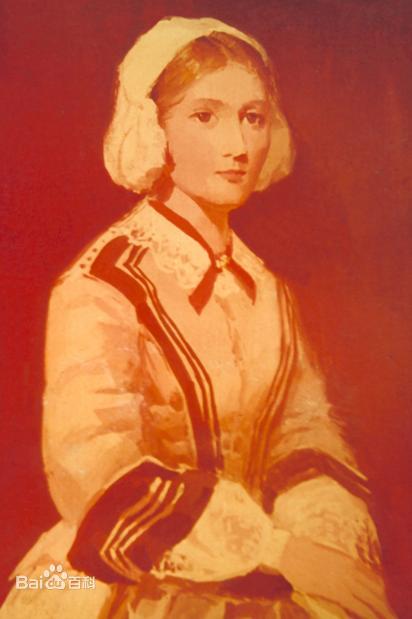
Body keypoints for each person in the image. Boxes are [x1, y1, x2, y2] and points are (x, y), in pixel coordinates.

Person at [1, 16, 396, 619]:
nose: (238, 145)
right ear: (153, 129)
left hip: (278, 578)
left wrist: (320, 541)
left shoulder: (267, 289)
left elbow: (305, 436)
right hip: (118, 580)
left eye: (253, 117)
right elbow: (93, 467)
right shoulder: (103, 282)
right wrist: (278, 551)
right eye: (205, 116)